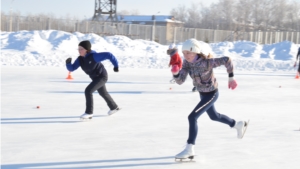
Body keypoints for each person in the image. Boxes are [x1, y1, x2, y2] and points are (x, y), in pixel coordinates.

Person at [171, 38, 248, 159]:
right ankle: (237, 124)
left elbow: (227, 60)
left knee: (192, 117)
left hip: (212, 93)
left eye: (189, 53)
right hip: (202, 93)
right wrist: (175, 74)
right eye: (184, 53)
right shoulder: (186, 63)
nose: (186, 56)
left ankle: (190, 148)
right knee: (214, 116)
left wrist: (231, 78)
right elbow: (180, 81)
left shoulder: (207, 62)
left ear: (196, 51)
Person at [65, 40, 120, 120]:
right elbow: (72, 68)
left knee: (88, 91)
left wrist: (116, 66)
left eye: (81, 49)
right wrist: (68, 63)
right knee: (103, 93)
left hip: (102, 77)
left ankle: (89, 113)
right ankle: (114, 107)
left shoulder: (94, 56)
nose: (79, 51)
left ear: (87, 49)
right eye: (78, 49)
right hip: (94, 78)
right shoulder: (80, 59)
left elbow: (109, 55)